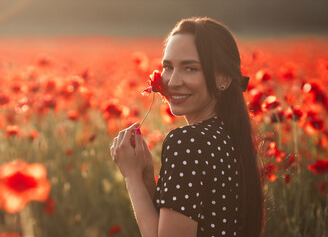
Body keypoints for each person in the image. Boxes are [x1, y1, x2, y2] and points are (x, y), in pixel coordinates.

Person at [110, 17, 264, 237]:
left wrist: (131, 177)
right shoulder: (230, 136)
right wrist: (145, 179)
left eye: (190, 69)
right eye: (168, 67)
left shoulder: (188, 142)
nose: (172, 81)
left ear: (224, 78)